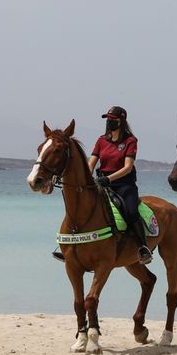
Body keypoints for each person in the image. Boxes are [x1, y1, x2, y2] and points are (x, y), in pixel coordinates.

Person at [52, 106, 153, 265]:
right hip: (100, 184)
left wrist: (109, 179)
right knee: (79, 208)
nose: (109, 122)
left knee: (131, 211)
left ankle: (143, 247)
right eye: (108, 119)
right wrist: (87, 178)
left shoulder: (130, 141)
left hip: (123, 185)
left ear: (121, 121)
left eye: (112, 119)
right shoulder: (101, 140)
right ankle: (70, 246)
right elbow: (91, 163)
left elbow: (127, 167)